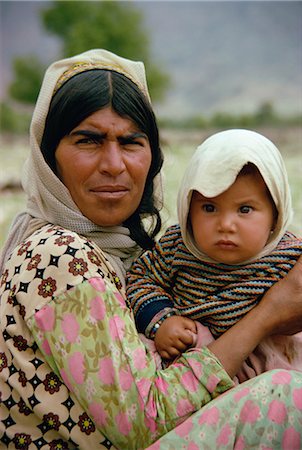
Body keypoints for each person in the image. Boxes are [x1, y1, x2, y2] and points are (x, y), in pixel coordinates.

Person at [0, 49, 302, 450]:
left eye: (131, 142)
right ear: (48, 156)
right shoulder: (60, 256)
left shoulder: (117, 251)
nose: (113, 164)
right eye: (88, 140)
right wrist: (266, 317)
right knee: (283, 398)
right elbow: (146, 422)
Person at [127, 129, 302, 379]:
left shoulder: (289, 255)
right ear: (189, 209)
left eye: (245, 209)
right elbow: (141, 280)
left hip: (274, 369)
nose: (226, 224)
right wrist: (161, 322)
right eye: (209, 208)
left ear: (276, 215)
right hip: (196, 372)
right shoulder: (177, 248)